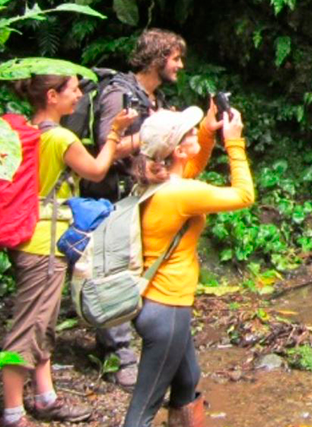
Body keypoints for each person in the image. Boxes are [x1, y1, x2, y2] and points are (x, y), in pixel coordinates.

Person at [0, 74, 135, 427]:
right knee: (28, 327)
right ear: (52, 95)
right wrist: (115, 133)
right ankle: (13, 414)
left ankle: (45, 397)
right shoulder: (60, 137)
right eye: (73, 89)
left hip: (31, 236)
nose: (79, 95)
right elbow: (96, 169)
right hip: (44, 243)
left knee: (43, 322)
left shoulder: (26, 132)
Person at [121, 103, 254, 427]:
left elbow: (189, 169)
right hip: (167, 310)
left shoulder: (157, 182)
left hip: (158, 305)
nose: (196, 131)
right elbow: (244, 195)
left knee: (187, 378)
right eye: (190, 132)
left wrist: (207, 131)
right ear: (178, 150)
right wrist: (234, 142)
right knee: (141, 411)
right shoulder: (180, 194)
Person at [77, 28, 186, 389]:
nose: (180, 66)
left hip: (137, 194)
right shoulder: (119, 94)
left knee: (131, 270)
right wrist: (154, 133)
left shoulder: (152, 97)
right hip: (109, 198)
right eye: (175, 58)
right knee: (112, 273)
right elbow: (105, 147)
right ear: (157, 59)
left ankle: (116, 344)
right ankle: (119, 356)